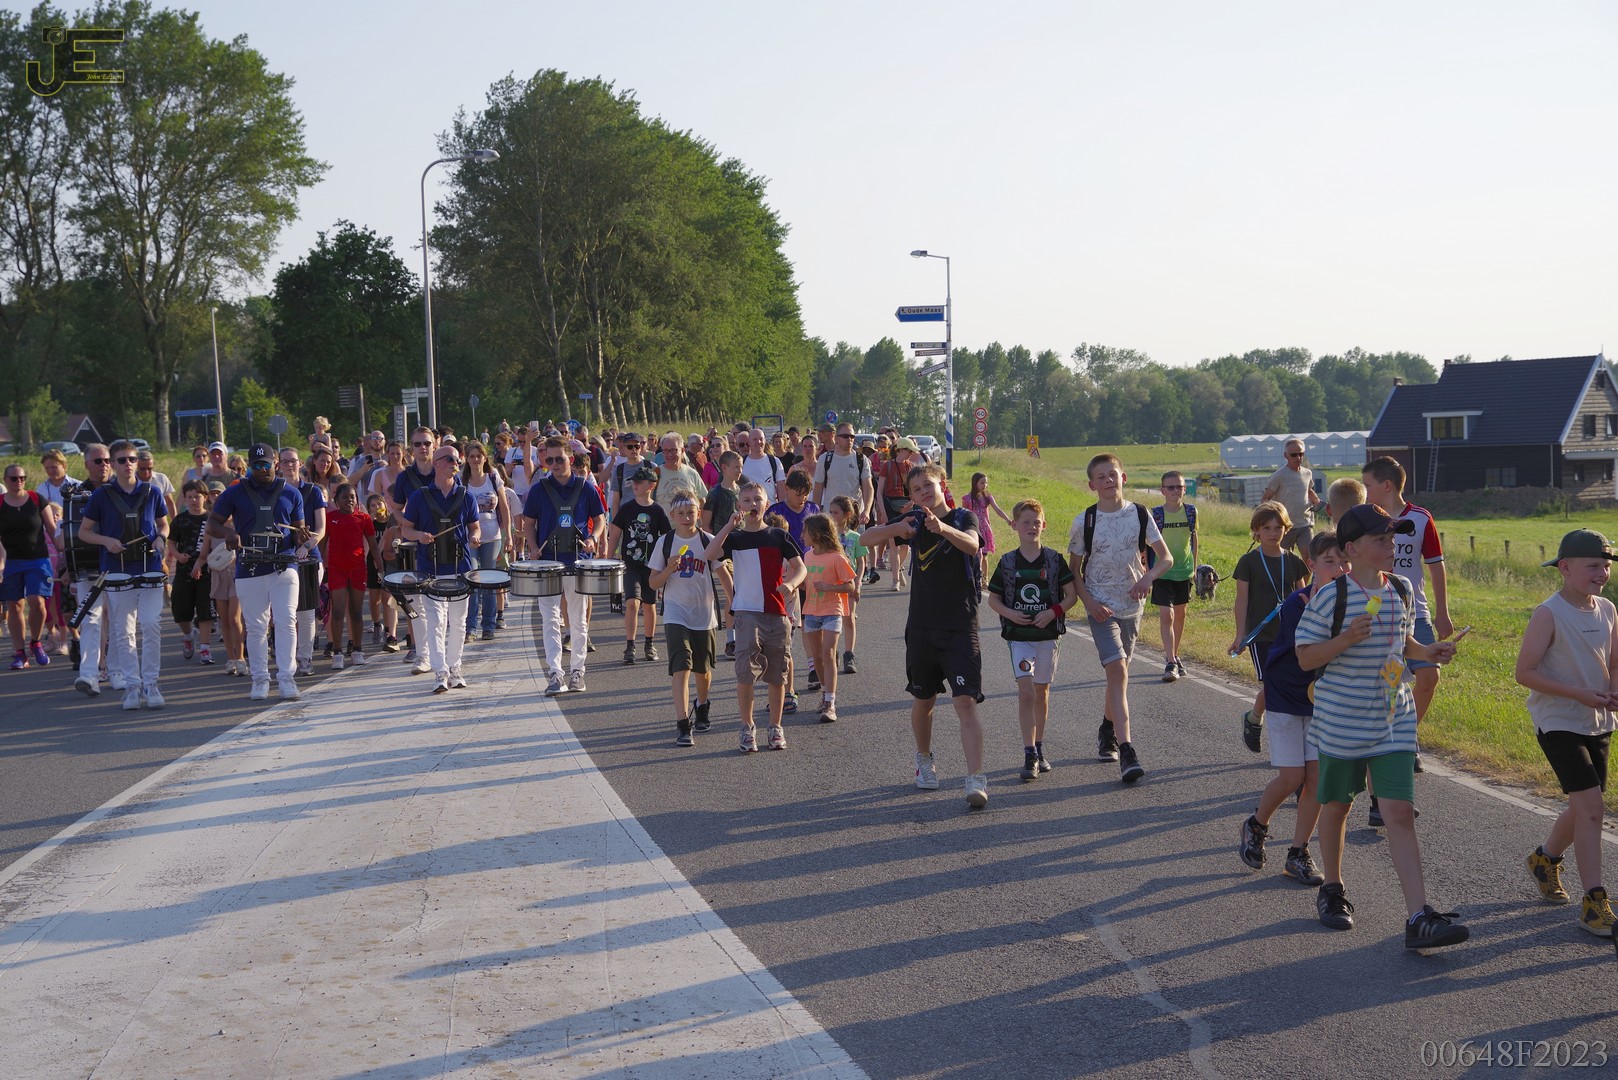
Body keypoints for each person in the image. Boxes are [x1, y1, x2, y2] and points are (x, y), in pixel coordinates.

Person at [1293, 503, 1467, 948]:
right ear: (1352, 549)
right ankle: (1333, 888)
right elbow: (1306, 657)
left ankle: (1418, 917)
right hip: (1342, 722)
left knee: (1400, 814)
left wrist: (1429, 653)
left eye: (1393, 538)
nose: (1392, 546)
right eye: (1381, 540)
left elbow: (1401, 642)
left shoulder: (1402, 589)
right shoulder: (1332, 596)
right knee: (1337, 805)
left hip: (1393, 719)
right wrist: (1345, 639)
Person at [860, 461, 988, 807]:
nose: (924, 492)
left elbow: (972, 545)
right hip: (922, 626)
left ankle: (975, 778)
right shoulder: (912, 522)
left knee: (965, 701)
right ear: (912, 497)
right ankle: (924, 759)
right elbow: (865, 539)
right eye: (916, 490)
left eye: (928, 485)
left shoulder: (963, 517)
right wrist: (896, 527)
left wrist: (942, 529)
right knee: (924, 699)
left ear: (942, 484)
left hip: (961, 625)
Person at [1517, 529, 1618, 937]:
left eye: (1606, 566)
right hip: (1558, 721)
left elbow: (1614, 661)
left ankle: (1544, 860)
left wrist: (1612, 690)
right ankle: (1594, 902)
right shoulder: (1549, 613)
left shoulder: (1608, 609)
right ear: (1565, 567)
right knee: (1592, 808)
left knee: (1582, 808)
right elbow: (1525, 673)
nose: (1602, 572)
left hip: (1598, 722)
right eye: (1593, 565)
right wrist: (1579, 693)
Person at [1238, 531, 1344, 885]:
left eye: (1345, 562)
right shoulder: (1300, 603)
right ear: (1312, 566)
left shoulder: (1351, 601)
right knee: (1292, 777)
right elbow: (1313, 650)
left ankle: (1298, 853)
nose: (1339, 569)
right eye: (1330, 562)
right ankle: (1256, 824)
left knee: (1316, 780)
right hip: (1285, 696)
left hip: (1321, 701)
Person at [1068, 452, 1170, 784]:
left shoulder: (1140, 514)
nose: (1108, 480)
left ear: (1123, 477)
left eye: (1112, 474)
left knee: (1118, 676)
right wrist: (1089, 603)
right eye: (1101, 477)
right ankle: (1127, 751)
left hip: (1133, 607)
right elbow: (1073, 571)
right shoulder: (1085, 521)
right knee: (1118, 671)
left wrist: (1148, 578)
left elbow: (1166, 558)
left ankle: (1106, 729)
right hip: (1101, 608)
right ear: (1092, 485)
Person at [1362, 455, 1452, 786]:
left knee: (1429, 677)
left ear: (1386, 486)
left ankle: (1406, 737)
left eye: (1368, 485)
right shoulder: (1365, 518)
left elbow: (1436, 565)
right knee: (1386, 682)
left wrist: (1442, 612)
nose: (1364, 490)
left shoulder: (1420, 518)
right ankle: (1373, 745)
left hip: (1417, 612)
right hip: (1377, 612)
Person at [704, 479, 805, 752]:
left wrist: (791, 584)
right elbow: (709, 554)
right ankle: (748, 727)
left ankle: (775, 726)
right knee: (746, 674)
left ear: (767, 504)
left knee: (777, 675)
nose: (752, 504)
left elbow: (801, 568)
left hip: (777, 612)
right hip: (746, 612)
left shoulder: (778, 536)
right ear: (739, 505)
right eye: (746, 500)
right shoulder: (735, 538)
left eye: (757, 499)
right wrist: (728, 526)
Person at [986, 499, 1077, 782]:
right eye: (1025, 522)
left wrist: (1052, 612)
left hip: (1048, 637)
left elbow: (1071, 595)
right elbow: (993, 599)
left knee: (1041, 692)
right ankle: (1029, 754)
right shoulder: (1007, 562)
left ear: (1044, 525)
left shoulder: (1054, 560)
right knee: (1026, 693)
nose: (1031, 527)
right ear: (1014, 525)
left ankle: (1039, 746)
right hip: (1020, 639)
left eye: (1036, 522)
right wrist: (1010, 614)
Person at [209, 443, 307, 701]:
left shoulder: (291, 493)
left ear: (275, 464)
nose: (262, 469)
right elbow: (212, 524)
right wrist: (228, 532)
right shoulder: (235, 492)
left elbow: (298, 529)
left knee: (286, 622)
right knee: (255, 627)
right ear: (249, 466)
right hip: (249, 566)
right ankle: (260, 679)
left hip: (284, 565)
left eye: (266, 464)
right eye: (256, 465)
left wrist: (302, 537)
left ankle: (287, 678)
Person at [77, 439, 170, 708]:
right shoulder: (101, 495)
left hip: (150, 568)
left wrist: (161, 538)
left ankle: (151, 684)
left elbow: (164, 525)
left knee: (151, 625)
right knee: (124, 631)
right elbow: (84, 532)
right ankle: (132, 686)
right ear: (114, 464)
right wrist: (106, 541)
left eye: (132, 459)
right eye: (122, 460)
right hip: (117, 570)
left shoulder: (152, 491)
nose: (128, 464)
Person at [521, 435, 607, 695]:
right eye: (549, 460)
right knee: (550, 620)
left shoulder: (585, 487)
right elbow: (528, 523)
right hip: (548, 562)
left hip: (577, 560)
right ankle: (555, 674)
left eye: (559, 459)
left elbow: (599, 519)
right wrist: (533, 548)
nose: (555, 464)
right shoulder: (539, 489)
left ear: (570, 458)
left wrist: (593, 538)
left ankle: (578, 671)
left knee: (578, 620)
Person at [648, 492, 729, 746]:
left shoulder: (708, 541)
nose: (686, 517)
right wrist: (669, 569)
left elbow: (723, 573)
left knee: (702, 671)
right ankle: (683, 724)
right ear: (672, 515)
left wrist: (735, 604)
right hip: (675, 613)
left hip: (704, 615)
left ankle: (702, 704)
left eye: (691, 512)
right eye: (681, 513)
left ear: (698, 513)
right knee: (681, 667)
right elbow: (653, 583)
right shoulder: (665, 542)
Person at [401, 445, 481, 694]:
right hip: (431, 568)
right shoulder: (419, 497)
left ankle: (455, 668)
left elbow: (474, 526)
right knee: (436, 622)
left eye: (457, 459)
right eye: (449, 459)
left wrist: (475, 537)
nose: (455, 463)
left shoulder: (466, 496)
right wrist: (419, 536)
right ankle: (440, 672)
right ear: (436, 463)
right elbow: (406, 529)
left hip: (460, 567)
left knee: (458, 623)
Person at [1232, 502, 1308, 753]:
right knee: (1273, 684)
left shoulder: (1294, 561)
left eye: (1278, 527)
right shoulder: (1248, 562)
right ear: (1256, 530)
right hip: (1262, 634)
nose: (1273, 533)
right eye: (1266, 528)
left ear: (1286, 529)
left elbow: (1304, 597)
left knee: (1291, 683)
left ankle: (1254, 717)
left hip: (1291, 634)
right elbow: (1241, 599)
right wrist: (1240, 635)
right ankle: (1270, 732)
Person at [388, 427, 439, 675]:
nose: (423, 448)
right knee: (417, 601)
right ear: (412, 448)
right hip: (416, 544)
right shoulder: (405, 477)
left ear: (434, 445)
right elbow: (396, 508)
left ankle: (440, 652)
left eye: (427, 443)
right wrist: (407, 525)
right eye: (417, 444)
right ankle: (422, 652)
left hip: (444, 543)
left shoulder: (444, 468)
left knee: (441, 602)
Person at [1, 461, 60, 670]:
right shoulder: (0, 503)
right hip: (11, 561)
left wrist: (63, 554)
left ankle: (36, 643)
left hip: (38, 559)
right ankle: (20, 653)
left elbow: (52, 530)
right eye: (14, 478)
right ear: (5, 480)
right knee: (15, 605)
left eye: (22, 478)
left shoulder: (36, 499)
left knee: (37, 601)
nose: (19, 481)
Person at [609, 466, 671, 665]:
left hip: (651, 566)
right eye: (633, 482)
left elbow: (666, 538)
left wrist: (665, 564)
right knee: (632, 602)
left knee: (649, 605)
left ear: (651, 485)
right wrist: (608, 559)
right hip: (630, 565)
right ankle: (630, 645)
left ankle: (649, 644)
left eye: (639, 482)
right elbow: (615, 534)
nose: (634, 485)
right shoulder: (627, 508)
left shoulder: (657, 510)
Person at [799, 513, 856, 723]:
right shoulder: (807, 556)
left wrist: (830, 587)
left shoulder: (837, 558)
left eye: (805, 531)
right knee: (817, 657)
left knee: (828, 653)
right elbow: (805, 581)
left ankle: (830, 703)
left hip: (832, 610)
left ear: (816, 533)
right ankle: (825, 693)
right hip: (811, 611)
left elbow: (850, 585)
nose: (802, 535)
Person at [64, 444, 112, 680]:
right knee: (91, 619)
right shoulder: (76, 494)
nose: (104, 465)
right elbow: (68, 533)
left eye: (107, 460)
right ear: (86, 465)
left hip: (118, 563)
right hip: (88, 566)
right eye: (98, 461)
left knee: (118, 619)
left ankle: (115, 668)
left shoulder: (121, 489)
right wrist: (67, 566)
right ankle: (93, 671)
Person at [278, 447, 327, 677]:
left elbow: (321, 528)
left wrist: (306, 546)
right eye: (285, 461)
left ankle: (305, 657)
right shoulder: (276, 491)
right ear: (279, 465)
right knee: (286, 613)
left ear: (300, 464)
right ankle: (286, 658)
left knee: (306, 612)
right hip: (283, 557)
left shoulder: (313, 491)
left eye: (293, 461)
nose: (290, 465)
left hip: (309, 558)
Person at [322, 482, 376, 670]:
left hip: (358, 569)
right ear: (336, 500)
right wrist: (323, 565)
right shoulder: (330, 518)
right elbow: (322, 543)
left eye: (352, 497)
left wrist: (380, 566)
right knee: (337, 611)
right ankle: (337, 653)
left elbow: (373, 544)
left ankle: (357, 650)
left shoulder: (363, 518)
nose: (349, 500)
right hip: (336, 570)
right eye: (345, 497)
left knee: (356, 611)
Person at [1151, 471, 1199, 682]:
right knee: (1167, 615)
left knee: (1180, 616)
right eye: (1170, 487)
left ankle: (1175, 655)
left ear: (1184, 489)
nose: (1175, 491)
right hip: (1162, 572)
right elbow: (1148, 544)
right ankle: (1170, 662)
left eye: (1179, 486)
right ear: (1162, 490)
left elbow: (1194, 539)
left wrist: (1194, 568)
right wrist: (1148, 573)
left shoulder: (1191, 511)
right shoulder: (1156, 514)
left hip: (1184, 572)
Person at [460, 440, 509, 642]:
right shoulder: (462, 480)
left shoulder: (493, 477)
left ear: (484, 458)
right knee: (471, 579)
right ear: (467, 459)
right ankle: (470, 627)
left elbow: (504, 507)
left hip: (492, 535)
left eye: (478, 456)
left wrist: (508, 535)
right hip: (469, 537)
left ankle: (488, 625)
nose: (475, 460)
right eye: (471, 456)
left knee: (489, 581)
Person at [165, 479, 214, 666]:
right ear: (185, 499)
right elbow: (171, 542)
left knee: (205, 611)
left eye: (197, 496)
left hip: (206, 571)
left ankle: (205, 649)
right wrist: (178, 556)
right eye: (190, 497)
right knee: (180, 611)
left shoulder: (211, 519)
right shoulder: (180, 519)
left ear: (205, 497)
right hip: (183, 570)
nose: (194, 500)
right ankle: (188, 634)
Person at [826, 495, 866, 675]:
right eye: (830, 512)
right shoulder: (827, 536)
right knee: (830, 620)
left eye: (835, 512)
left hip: (849, 583)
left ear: (847, 514)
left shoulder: (855, 537)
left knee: (849, 618)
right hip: (831, 583)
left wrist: (858, 583)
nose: (832, 515)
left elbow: (861, 563)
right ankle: (831, 652)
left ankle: (849, 654)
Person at [811, 423, 876, 529]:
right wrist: (816, 514)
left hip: (855, 518)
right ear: (836, 438)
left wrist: (866, 511)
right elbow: (818, 489)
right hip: (831, 518)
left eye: (852, 436)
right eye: (845, 436)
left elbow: (868, 488)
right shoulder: (825, 459)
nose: (849, 439)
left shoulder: (861, 459)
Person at [1261, 438, 1320, 553]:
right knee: (1284, 556)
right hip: (1285, 525)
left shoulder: (1307, 473)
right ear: (1286, 456)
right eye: (1294, 455)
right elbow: (1265, 498)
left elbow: (1309, 490)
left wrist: (1317, 501)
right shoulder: (1279, 476)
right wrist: (1269, 520)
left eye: (1301, 454)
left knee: (1310, 555)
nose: (1298, 458)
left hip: (1305, 523)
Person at [960, 471, 1013, 592]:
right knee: (977, 555)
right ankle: (977, 579)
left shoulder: (988, 497)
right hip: (974, 530)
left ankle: (985, 579)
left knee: (984, 556)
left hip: (985, 530)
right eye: (982, 483)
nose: (985, 485)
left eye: (986, 483)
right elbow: (963, 513)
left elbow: (997, 509)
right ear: (975, 483)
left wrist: (1008, 520)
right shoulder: (967, 498)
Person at [876, 439, 919, 589]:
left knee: (905, 545)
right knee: (893, 543)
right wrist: (883, 512)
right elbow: (879, 492)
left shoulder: (910, 467)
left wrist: (911, 503)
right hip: (890, 505)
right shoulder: (887, 466)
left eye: (912, 451)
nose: (911, 453)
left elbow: (914, 490)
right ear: (901, 450)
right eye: (909, 450)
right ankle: (895, 580)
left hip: (906, 504)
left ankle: (898, 568)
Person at [653, 432, 707, 511]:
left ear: (682, 450)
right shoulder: (655, 474)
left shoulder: (692, 473)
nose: (669, 454)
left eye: (673, 450)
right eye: (665, 451)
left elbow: (703, 503)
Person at [605, 432, 650, 517]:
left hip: (647, 515)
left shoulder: (650, 467)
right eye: (630, 447)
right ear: (624, 448)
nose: (634, 449)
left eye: (636, 446)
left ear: (640, 448)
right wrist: (614, 522)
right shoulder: (619, 470)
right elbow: (616, 500)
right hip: (626, 516)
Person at [739, 429, 786, 499]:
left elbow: (782, 491)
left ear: (765, 441)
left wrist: (782, 505)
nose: (758, 442)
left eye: (761, 439)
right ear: (749, 442)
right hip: (748, 505)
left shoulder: (775, 461)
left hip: (770, 505)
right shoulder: (741, 462)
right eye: (755, 439)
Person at [135, 449, 177, 519]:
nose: (146, 472)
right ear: (136, 465)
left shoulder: (161, 478)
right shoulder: (130, 480)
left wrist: (175, 521)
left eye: (149, 469)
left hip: (159, 521)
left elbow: (169, 502)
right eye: (142, 469)